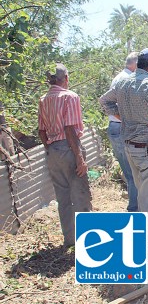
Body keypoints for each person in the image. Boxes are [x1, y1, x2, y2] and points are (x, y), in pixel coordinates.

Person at [99, 48, 148, 253]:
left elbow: (104, 101)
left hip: (130, 146)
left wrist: (124, 118)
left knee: (142, 194)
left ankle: (144, 236)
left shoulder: (122, 82)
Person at [38, 63, 92, 247]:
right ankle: (86, 240)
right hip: (69, 148)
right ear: (66, 78)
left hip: (52, 151)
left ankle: (70, 240)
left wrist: (50, 149)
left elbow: (41, 131)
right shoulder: (70, 97)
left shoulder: (43, 99)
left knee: (63, 198)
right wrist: (79, 157)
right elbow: (70, 129)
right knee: (80, 195)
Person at [104, 52, 139, 212]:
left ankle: (136, 209)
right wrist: (127, 120)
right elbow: (106, 102)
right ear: (136, 64)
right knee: (134, 174)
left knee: (130, 173)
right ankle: (135, 211)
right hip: (121, 128)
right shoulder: (126, 80)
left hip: (115, 127)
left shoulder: (120, 78)